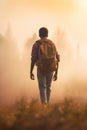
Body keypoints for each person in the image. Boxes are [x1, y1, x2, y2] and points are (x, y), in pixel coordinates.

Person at [30, 27, 60, 104]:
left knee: (42, 87)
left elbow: (33, 59)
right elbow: (57, 59)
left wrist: (31, 71)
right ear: (47, 34)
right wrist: (56, 73)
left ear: (39, 34)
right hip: (51, 68)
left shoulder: (36, 44)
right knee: (48, 87)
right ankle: (47, 104)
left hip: (41, 68)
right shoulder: (52, 44)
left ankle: (44, 105)